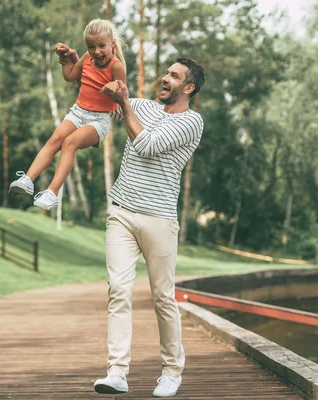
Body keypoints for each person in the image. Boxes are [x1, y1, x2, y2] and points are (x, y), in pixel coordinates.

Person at [91, 58, 205, 398]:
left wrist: (124, 103)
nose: (164, 78)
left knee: (163, 297)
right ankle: (117, 372)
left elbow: (148, 144)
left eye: (174, 76)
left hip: (159, 220)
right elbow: (97, 101)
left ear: (189, 88)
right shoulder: (141, 106)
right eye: (166, 72)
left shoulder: (192, 122)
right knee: (119, 291)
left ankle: (172, 371)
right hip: (122, 214)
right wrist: (83, 65)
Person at [8, 19, 126, 210]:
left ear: (112, 43)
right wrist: (66, 59)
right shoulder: (87, 57)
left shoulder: (116, 66)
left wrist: (115, 86)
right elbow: (70, 76)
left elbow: (123, 95)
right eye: (91, 46)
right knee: (55, 139)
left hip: (98, 120)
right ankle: (28, 179)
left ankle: (52, 193)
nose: (97, 51)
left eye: (102, 46)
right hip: (78, 111)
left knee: (69, 143)